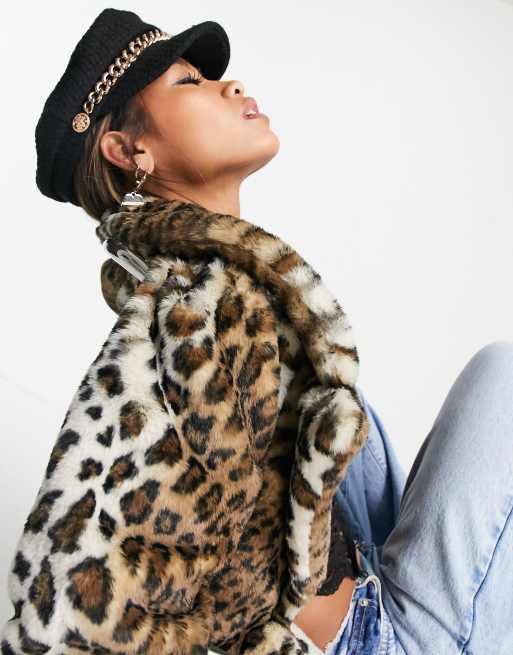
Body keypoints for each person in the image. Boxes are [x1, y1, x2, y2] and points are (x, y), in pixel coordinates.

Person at [30, 7, 513, 655]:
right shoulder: (180, 317)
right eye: (188, 83)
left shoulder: (243, 291)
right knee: (504, 378)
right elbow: (70, 570)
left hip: (369, 583)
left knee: (344, 410)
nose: (230, 85)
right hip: (373, 640)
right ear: (129, 151)